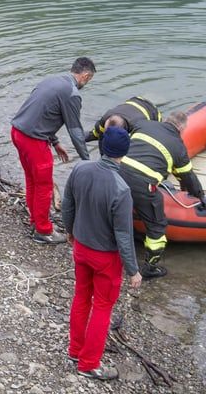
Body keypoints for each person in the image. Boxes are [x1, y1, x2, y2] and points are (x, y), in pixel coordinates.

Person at [62, 126, 143, 381]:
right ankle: (88, 364)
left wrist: (69, 231)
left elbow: (68, 204)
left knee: (81, 297)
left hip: (81, 247)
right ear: (125, 152)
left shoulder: (80, 169)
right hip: (105, 257)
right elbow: (123, 236)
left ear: (102, 146)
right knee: (103, 307)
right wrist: (133, 270)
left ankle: (75, 350)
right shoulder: (121, 190)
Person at [96, 108, 206, 279]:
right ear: (181, 129)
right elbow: (188, 177)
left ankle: (99, 243)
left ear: (166, 120)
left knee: (109, 209)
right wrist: (201, 195)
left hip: (117, 173)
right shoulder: (178, 147)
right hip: (143, 186)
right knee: (157, 226)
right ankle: (150, 267)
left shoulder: (144, 125)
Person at [9, 57, 95, 245]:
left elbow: (42, 111)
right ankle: (43, 231)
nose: (86, 84)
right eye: (88, 80)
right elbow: (76, 131)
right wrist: (87, 162)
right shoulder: (72, 94)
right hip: (33, 140)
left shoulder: (52, 80)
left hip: (17, 132)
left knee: (32, 179)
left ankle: (35, 220)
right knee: (44, 186)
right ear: (86, 75)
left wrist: (55, 141)